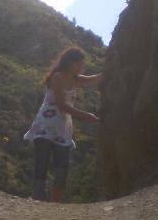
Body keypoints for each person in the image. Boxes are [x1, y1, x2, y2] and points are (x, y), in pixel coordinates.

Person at [23, 47, 103, 202]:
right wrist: (87, 116)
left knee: (62, 168)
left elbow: (95, 78)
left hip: (63, 129)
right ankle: (38, 201)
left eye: (81, 64)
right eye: (78, 64)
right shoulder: (57, 77)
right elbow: (61, 106)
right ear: (69, 63)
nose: (80, 67)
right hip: (45, 126)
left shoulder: (76, 79)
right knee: (42, 164)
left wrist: (112, 68)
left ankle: (54, 206)